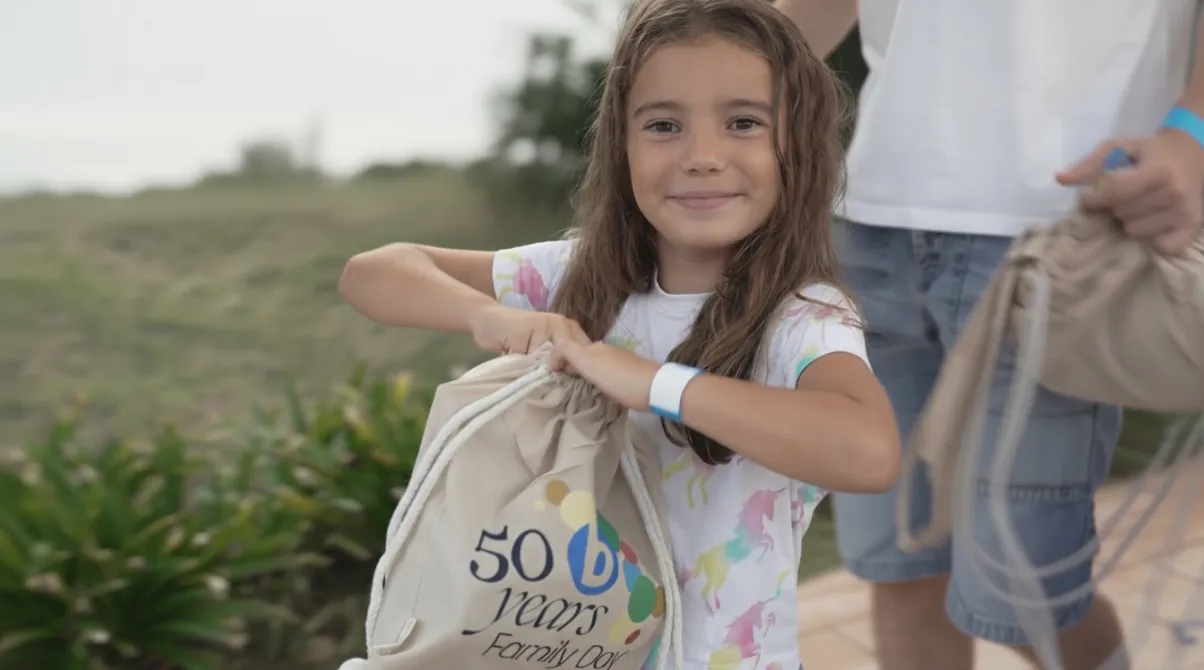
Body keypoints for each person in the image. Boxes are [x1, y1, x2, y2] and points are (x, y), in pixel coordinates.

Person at [338, 0, 902, 666]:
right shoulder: (577, 276)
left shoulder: (802, 316)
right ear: (621, 146)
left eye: (743, 123)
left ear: (796, 145)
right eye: (663, 125)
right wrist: (492, 317)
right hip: (557, 648)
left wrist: (654, 384)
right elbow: (372, 274)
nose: (702, 157)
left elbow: (869, 453)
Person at [774, 0, 1204, 668]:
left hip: (1057, 233)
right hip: (873, 218)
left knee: (1024, 600)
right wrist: (724, 82)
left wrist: (1193, 131)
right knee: (903, 573)